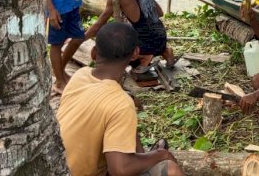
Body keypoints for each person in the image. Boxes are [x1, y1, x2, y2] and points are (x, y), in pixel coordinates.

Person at [57, 22, 184, 176]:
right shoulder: (121, 104)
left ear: (94, 53)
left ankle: (141, 155)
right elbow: (120, 169)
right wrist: (162, 155)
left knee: (124, 122)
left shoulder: (81, 75)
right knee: (170, 169)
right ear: (135, 53)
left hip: (55, 167)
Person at [82, 0, 175, 74]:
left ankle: (144, 57)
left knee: (112, 56)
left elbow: (98, 25)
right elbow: (160, 13)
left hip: (146, 45)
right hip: (162, 38)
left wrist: (81, 39)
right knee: (139, 30)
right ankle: (165, 51)